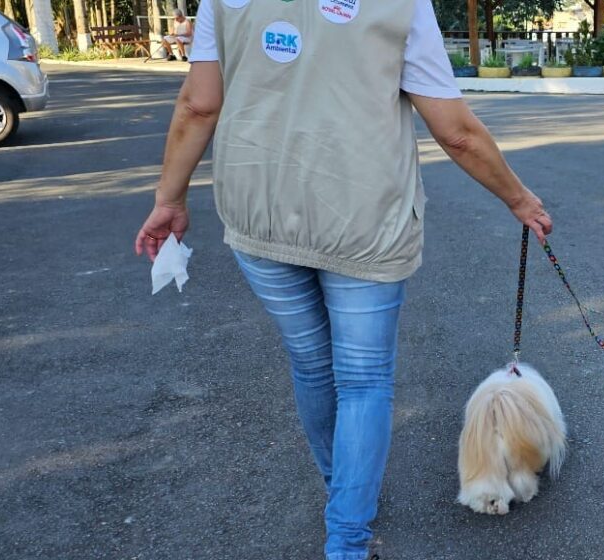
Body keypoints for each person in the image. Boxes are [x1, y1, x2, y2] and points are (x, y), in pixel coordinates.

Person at [133, 1, 552, 559]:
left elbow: (199, 104)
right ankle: (347, 539)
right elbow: (456, 133)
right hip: (364, 220)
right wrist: (518, 199)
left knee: (311, 363)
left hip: (260, 209)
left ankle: (344, 496)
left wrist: (170, 197)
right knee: (363, 381)